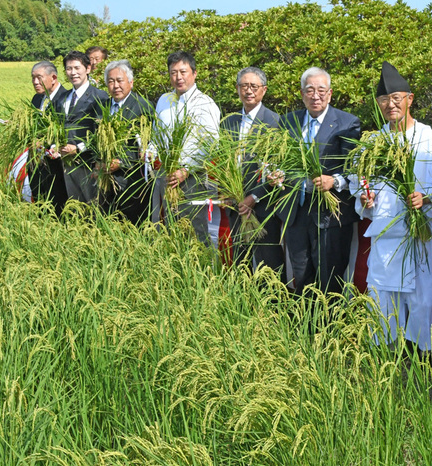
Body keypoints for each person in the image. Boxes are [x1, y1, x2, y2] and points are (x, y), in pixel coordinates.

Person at [355, 61, 432, 351]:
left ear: (409, 99)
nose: (390, 105)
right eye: (384, 100)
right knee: (382, 298)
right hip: (386, 237)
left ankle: (426, 359)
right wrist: (365, 200)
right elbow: (359, 183)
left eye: (396, 98)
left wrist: (427, 199)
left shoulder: (429, 140)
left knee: (423, 300)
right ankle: (383, 356)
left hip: (420, 235)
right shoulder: (373, 143)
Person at [276, 67, 361, 294]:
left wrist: (335, 181)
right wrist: (275, 173)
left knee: (330, 280)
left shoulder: (347, 123)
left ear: (330, 93)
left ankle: (330, 327)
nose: (316, 96)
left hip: (330, 216)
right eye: (310, 90)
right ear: (302, 93)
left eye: (321, 91)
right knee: (301, 277)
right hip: (296, 212)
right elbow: (278, 160)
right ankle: (305, 327)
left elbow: (354, 169)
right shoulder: (287, 122)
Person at [151, 51, 221, 245]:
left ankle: (202, 273)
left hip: (193, 178)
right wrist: (150, 152)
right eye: (173, 73)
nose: (178, 77)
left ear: (194, 73)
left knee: (196, 231)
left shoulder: (205, 104)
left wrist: (186, 169)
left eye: (183, 72)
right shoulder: (163, 101)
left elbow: (210, 144)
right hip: (167, 175)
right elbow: (157, 134)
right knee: (172, 228)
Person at [221, 66, 285, 274]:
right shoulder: (228, 122)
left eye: (253, 86)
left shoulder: (275, 122)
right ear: (238, 89)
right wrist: (226, 191)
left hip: (264, 206)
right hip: (235, 205)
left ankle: (274, 305)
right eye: (244, 86)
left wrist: (253, 198)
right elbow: (223, 161)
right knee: (241, 264)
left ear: (264, 90)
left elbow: (277, 169)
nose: (248, 90)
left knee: (270, 265)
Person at [98, 59, 154, 224]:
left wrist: (121, 162)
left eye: (119, 81)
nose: (115, 86)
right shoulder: (103, 106)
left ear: (131, 82)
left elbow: (148, 147)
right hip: (105, 182)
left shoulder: (142, 107)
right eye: (111, 81)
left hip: (132, 183)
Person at [52, 50, 109, 204]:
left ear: (88, 69)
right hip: (66, 163)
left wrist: (78, 148)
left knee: (93, 205)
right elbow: (55, 126)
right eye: (69, 69)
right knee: (75, 205)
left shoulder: (100, 97)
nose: (73, 73)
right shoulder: (62, 98)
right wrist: (54, 145)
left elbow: (101, 133)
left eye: (77, 68)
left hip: (89, 162)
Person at [29, 60, 68, 211]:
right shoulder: (37, 99)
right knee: (39, 202)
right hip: (36, 163)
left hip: (56, 164)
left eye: (39, 77)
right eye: (33, 78)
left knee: (57, 205)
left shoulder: (66, 99)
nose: (35, 82)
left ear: (53, 78)